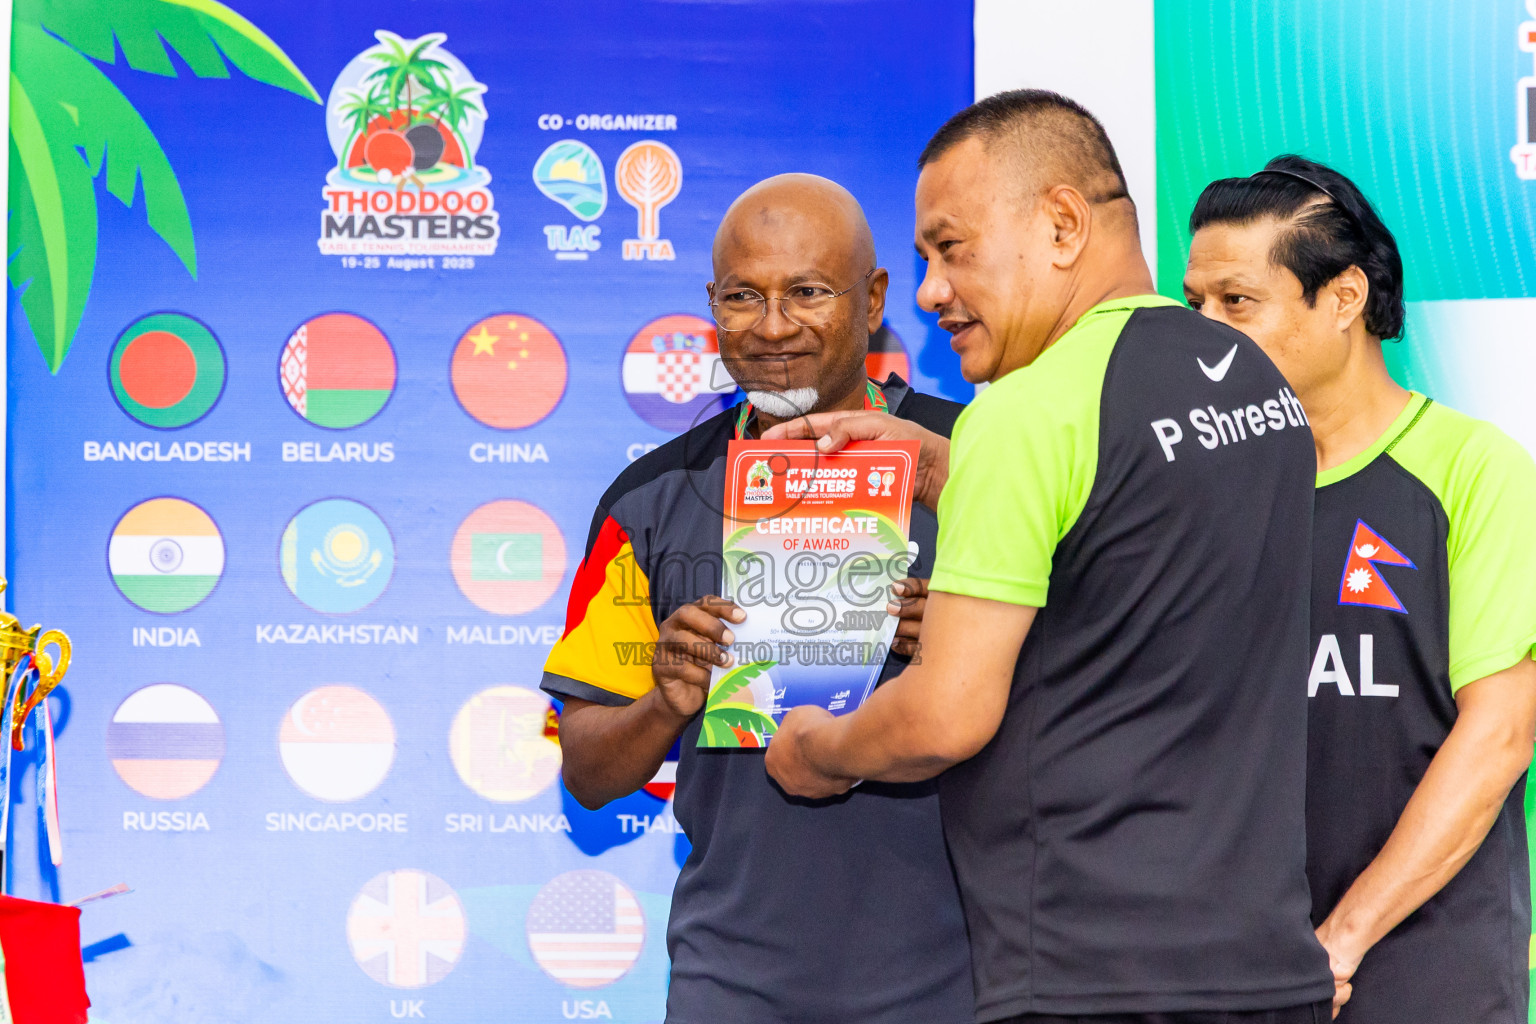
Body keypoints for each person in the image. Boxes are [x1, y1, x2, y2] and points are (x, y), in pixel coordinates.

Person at [764, 89, 1334, 1023]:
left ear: (1063, 224)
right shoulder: (1255, 384)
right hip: (1266, 968)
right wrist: (950, 469)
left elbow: (945, 714)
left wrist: (817, 750)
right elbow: (1130, 540)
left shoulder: (1027, 415)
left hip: (1089, 970)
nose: (930, 291)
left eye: (951, 247)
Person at [541, 173, 973, 1024]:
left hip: (957, 969)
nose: (773, 327)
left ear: (873, 297)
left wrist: (969, 642)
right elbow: (588, 772)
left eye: (808, 293)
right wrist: (665, 701)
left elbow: (1100, 691)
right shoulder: (647, 501)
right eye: (743, 297)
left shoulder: (974, 460)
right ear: (712, 304)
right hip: (731, 976)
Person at [1182, 155, 1536, 1023]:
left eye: (1237, 302)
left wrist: (1343, 937)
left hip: (1428, 966)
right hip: (1237, 967)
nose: (1206, 333)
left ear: (1343, 298)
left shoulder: (1472, 469)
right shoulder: (1200, 488)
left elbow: (1501, 733)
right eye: (1195, 304)